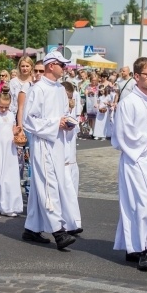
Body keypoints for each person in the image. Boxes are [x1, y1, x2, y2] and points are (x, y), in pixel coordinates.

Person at [112, 57, 147, 271]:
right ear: (137, 76)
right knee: (141, 205)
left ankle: (134, 248)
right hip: (135, 160)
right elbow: (122, 134)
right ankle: (143, 250)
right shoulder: (128, 103)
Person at [20, 50, 76, 250]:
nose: (65, 68)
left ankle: (32, 228)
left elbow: (63, 114)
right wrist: (55, 123)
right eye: (62, 65)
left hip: (58, 142)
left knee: (41, 185)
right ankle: (58, 231)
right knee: (48, 185)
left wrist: (68, 122)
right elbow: (29, 119)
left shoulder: (60, 89)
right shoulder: (38, 88)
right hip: (44, 142)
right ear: (51, 65)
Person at [60, 81, 83, 234]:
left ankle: (72, 222)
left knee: (72, 192)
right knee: (65, 193)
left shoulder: (71, 109)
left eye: (70, 97)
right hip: (61, 159)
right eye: (66, 97)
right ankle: (68, 224)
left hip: (71, 159)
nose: (69, 101)